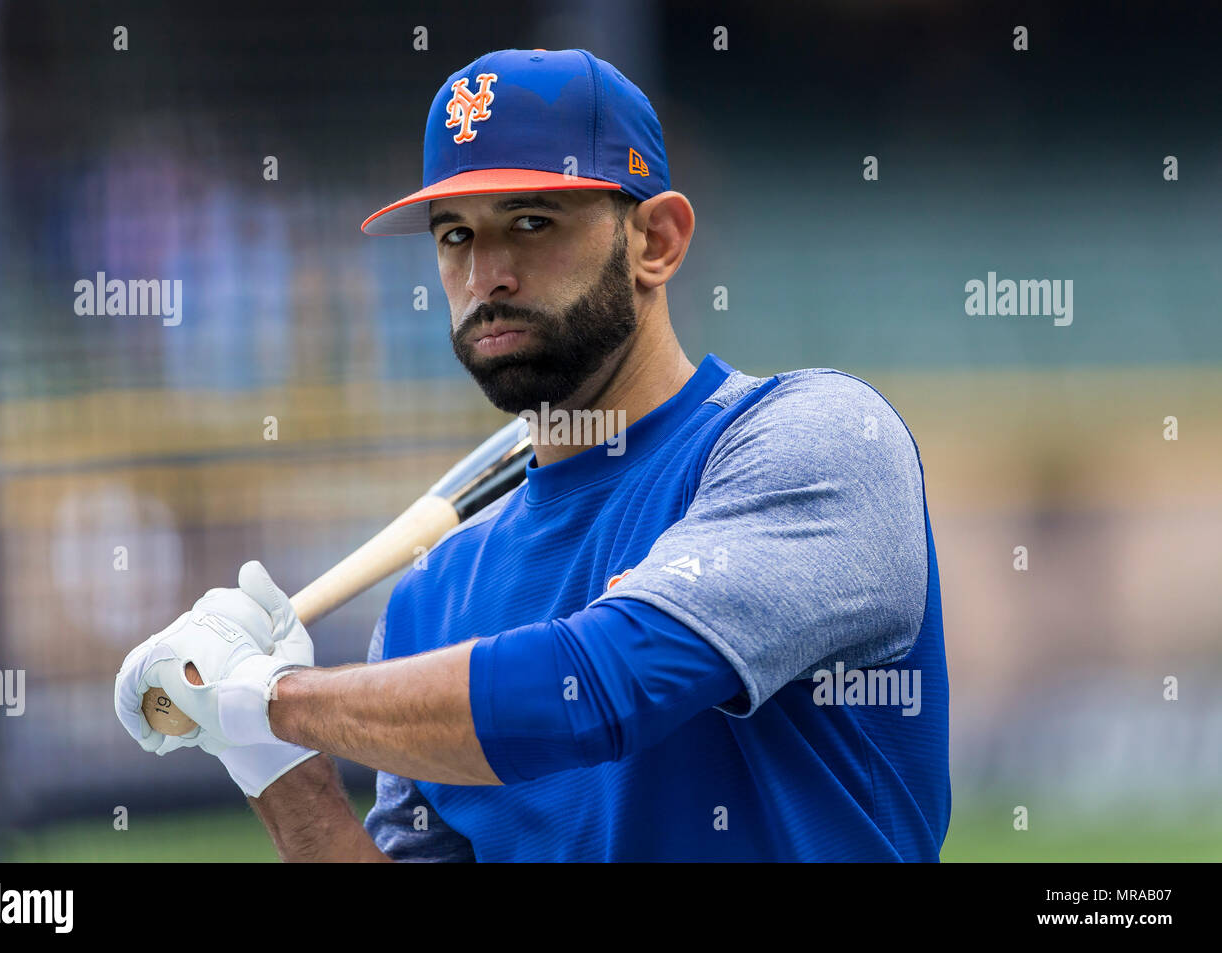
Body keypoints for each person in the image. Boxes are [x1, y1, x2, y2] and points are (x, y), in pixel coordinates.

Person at [115, 47, 950, 862]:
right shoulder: (429, 601)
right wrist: (264, 752)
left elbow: (596, 690)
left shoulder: (818, 441)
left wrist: (275, 697)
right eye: (453, 235)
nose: (486, 275)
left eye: (530, 222)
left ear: (656, 240)